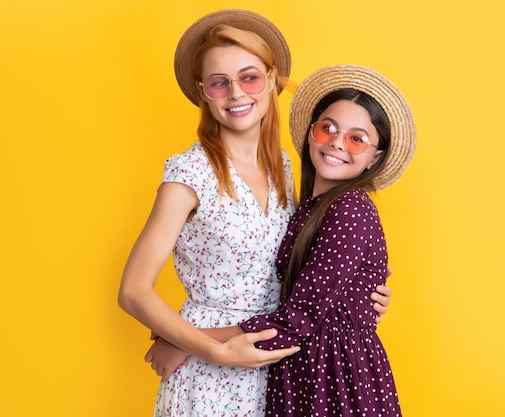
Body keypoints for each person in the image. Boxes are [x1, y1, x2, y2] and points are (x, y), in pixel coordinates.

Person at [118, 9, 393, 417]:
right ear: (203, 92)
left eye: (249, 77)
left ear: (271, 80)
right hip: (208, 366)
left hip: (281, 363)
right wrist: (207, 348)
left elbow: (307, 269)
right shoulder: (190, 173)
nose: (236, 94)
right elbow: (133, 290)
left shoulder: (283, 166)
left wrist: (357, 297)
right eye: (219, 83)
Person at [239, 64, 417, 416]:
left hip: (336, 379)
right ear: (310, 133)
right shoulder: (307, 208)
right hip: (306, 370)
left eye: (356, 138)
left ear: (374, 158)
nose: (337, 142)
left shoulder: (350, 209)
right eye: (328, 128)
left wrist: (189, 342)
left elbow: (298, 319)